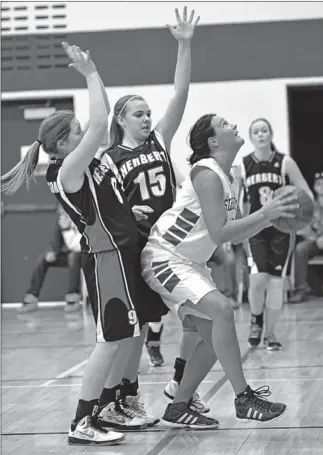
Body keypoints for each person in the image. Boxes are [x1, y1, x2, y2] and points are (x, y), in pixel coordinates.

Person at [1, 42, 152, 445]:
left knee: (125, 336)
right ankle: (81, 422)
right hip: (107, 260)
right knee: (109, 341)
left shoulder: (81, 162)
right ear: (63, 144)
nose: (86, 134)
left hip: (119, 251)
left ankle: (111, 405)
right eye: (78, 133)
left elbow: (99, 126)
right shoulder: (68, 168)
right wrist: (89, 74)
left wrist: (95, 72)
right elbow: (102, 125)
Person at [141, 113, 298, 428]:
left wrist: (270, 217)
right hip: (165, 257)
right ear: (213, 141)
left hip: (189, 263)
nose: (234, 126)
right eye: (226, 124)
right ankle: (243, 397)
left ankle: (179, 404)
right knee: (223, 311)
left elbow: (237, 235)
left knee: (215, 339)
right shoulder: (207, 174)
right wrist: (265, 213)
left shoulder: (227, 175)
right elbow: (219, 234)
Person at [105, 6, 209, 416]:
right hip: (138, 247)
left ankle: (179, 382)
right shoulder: (109, 158)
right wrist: (131, 216)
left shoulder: (160, 140)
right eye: (138, 113)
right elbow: (108, 208)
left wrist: (184, 46)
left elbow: (179, 93)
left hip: (176, 242)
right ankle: (127, 395)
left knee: (199, 315)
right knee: (139, 327)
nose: (147, 118)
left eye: (149, 113)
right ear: (121, 119)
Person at [236, 118, 313, 350]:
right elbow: (234, 199)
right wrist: (237, 225)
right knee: (258, 278)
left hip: (281, 231)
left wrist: (300, 214)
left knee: (277, 283)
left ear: (271, 134)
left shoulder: (284, 162)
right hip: (256, 228)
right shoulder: (242, 164)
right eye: (256, 131)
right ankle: (256, 320)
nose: (261, 135)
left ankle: (270, 334)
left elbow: (305, 192)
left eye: (264, 130)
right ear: (251, 137)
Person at [18, 203, 82, 314]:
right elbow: (56, 242)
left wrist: (66, 229)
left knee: (73, 256)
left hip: (86, 257)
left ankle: (73, 298)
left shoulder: (81, 220)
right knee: (44, 260)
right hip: (72, 256)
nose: (60, 212)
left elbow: (77, 246)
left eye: (62, 209)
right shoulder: (61, 221)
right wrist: (52, 252)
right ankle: (32, 298)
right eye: (59, 210)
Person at [290, 171, 323, 302]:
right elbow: (304, 226)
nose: (321, 186)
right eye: (319, 183)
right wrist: (315, 238)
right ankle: (301, 290)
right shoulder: (309, 204)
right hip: (316, 241)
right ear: (314, 187)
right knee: (300, 249)